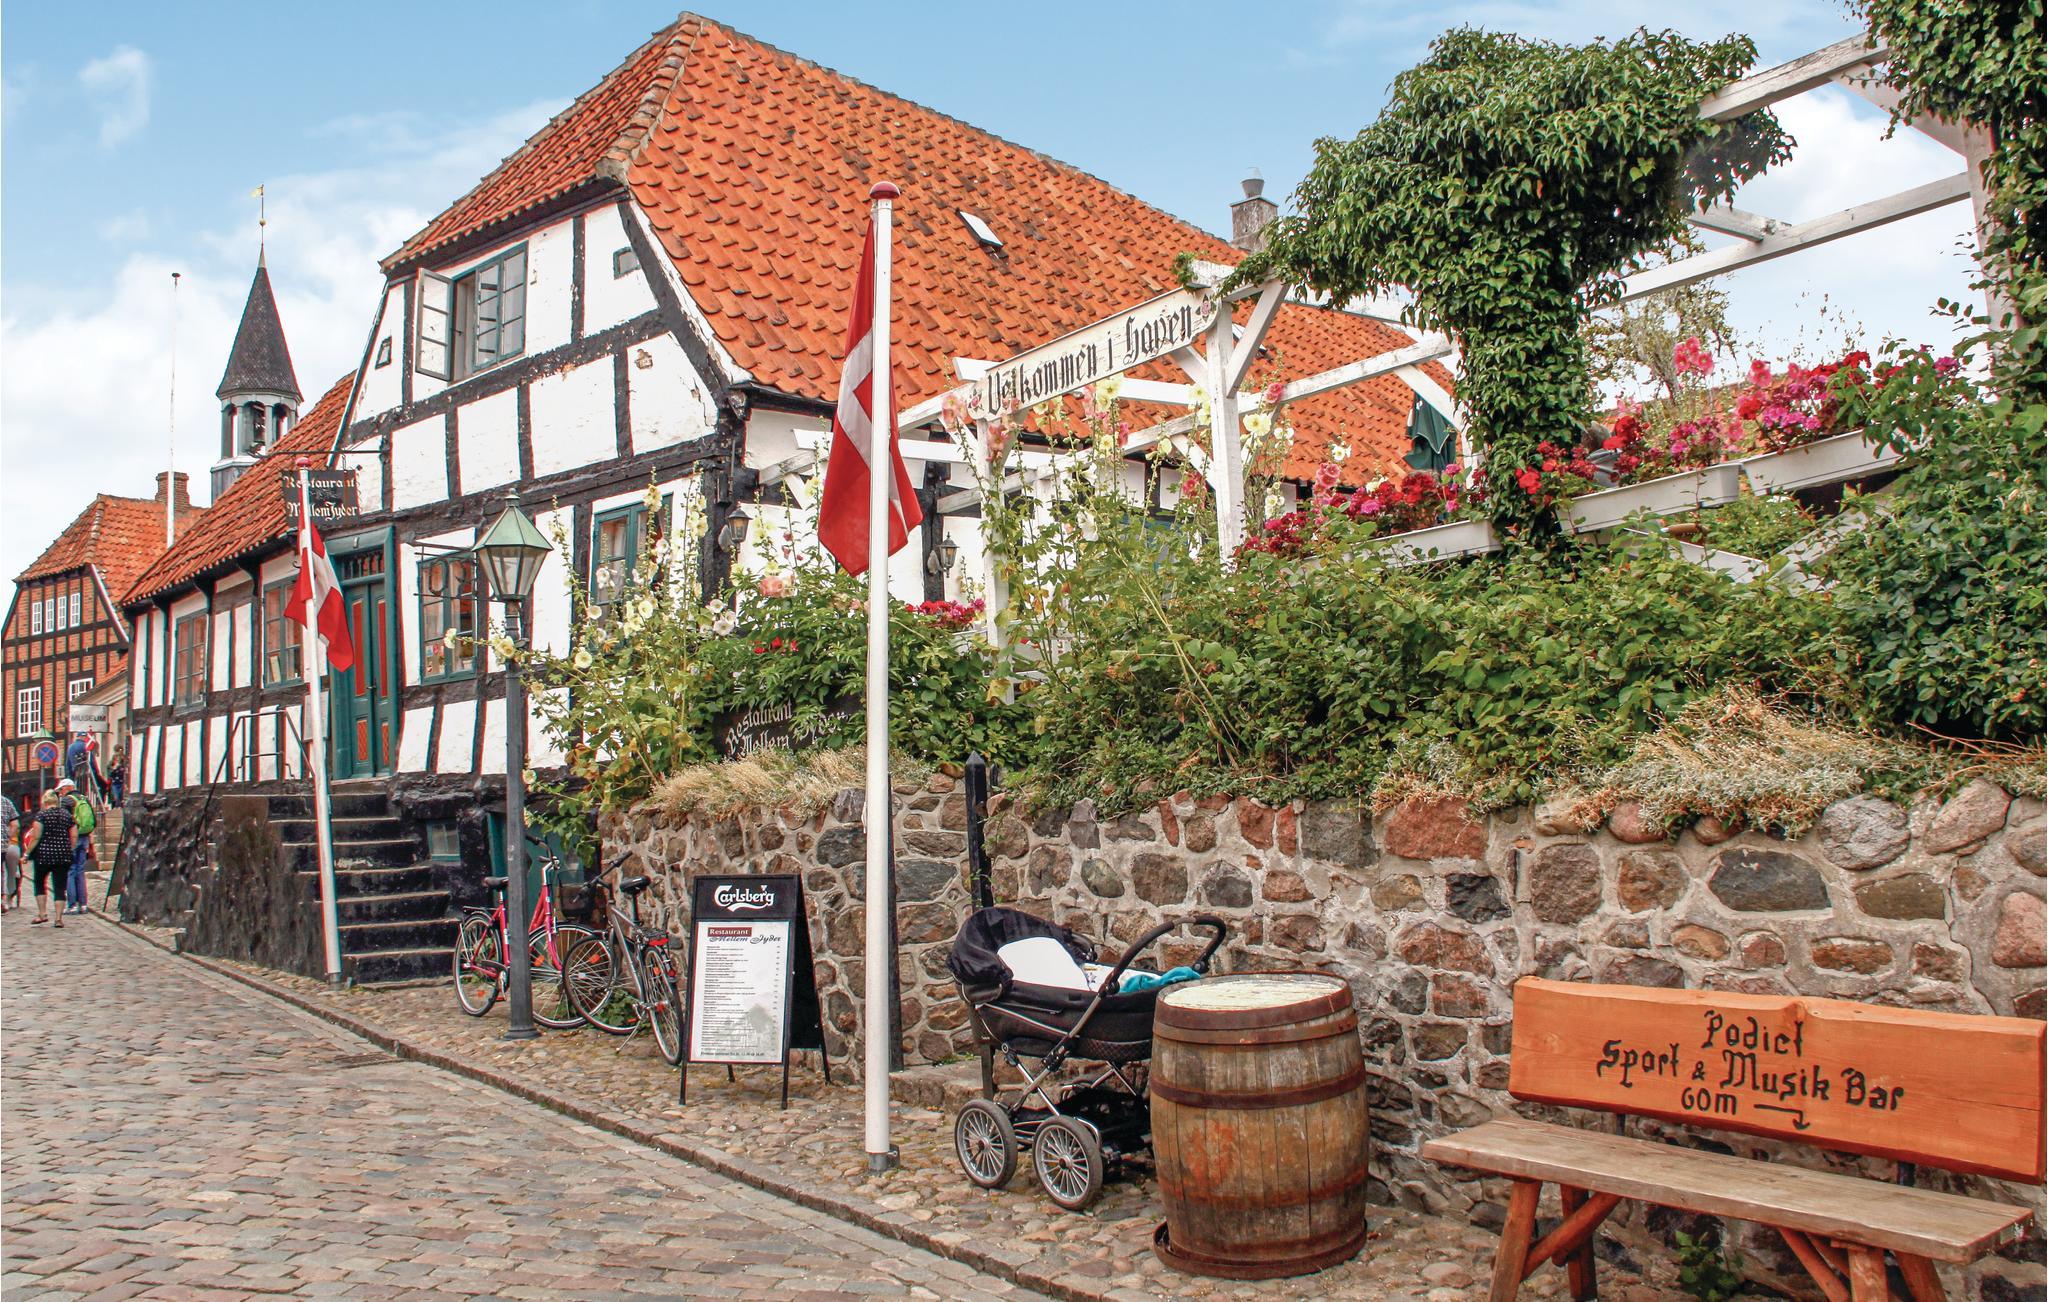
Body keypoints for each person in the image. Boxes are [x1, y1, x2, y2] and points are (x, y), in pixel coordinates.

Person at [22, 780, 77, 928]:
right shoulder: (66, 815)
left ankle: (42, 914)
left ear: (45, 801)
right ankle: (58, 918)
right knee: (60, 886)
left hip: (43, 855)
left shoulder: (42, 815)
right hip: (63, 855)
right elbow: (74, 835)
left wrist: (27, 854)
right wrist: (70, 848)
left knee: (40, 883)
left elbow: (36, 837)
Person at [66, 783, 97, 914]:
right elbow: (94, 821)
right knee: (80, 870)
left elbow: (66, 822)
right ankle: (83, 904)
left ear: (67, 788)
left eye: (61, 789)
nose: (60, 792)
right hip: (84, 838)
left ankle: (72, 905)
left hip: (73, 838)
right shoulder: (85, 799)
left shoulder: (67, 800)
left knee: (71, 870)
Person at [1, 793, 20, 912]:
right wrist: (7, 838)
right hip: (4, 844)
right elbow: (15, 825)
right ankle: (4, 900)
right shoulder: (6, 802)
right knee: (5, 872)